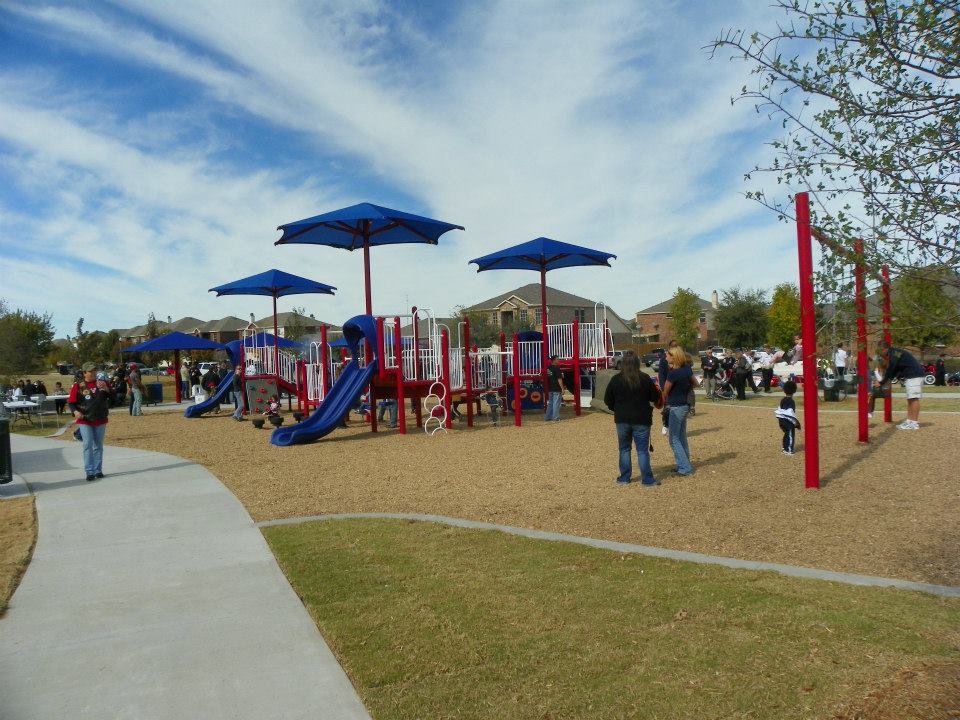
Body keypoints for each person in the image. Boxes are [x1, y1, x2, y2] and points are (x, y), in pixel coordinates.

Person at [603, 351, 662, 486]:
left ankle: (624, 478)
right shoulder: (645, 378)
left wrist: (616, 409)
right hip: (642, 418)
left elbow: (607, 400)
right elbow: (654, 397)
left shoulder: (616, 379)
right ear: (637, 363)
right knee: (642, 450)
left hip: (622, 419)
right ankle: (647, 480)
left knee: (624, 449)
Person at [68, 364, 113, 482]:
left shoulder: (102, 383)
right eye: (90, 371)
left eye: (94, 371)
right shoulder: (78, 386)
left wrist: (106, 389)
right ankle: (89, 471)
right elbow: (71, 402)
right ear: (84, 373)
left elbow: (113, 397)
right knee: (87, 444)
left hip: (101, 418)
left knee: (98, 446)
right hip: (85, 419)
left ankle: (98, 470)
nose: (93, 373)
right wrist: (75, 411)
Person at [661, 347, 698, 476]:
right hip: (684, 405)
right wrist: (684, 388)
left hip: (675, 406)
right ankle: (683, 464)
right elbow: (695, 383)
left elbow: (665, 391)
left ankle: (685, 468)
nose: (666, 356)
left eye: (668, 355)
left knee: (674, 439)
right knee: (681, 437)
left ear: (674, 357)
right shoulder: (686, 369)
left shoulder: (673, 373)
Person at [877, 340, 925, 430]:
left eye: (880, 351)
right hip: (911, 376)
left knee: (914, 398)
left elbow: (892, 368)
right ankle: (909, 421)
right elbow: (895, 369)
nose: (880, 353)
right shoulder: (894, 353)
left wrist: (882, 382)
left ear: (884, 348)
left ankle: (914, 423)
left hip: (914, 376)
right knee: (910, 399)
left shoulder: (895, 353)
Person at [775, 380, 800, 455]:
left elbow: (781, 410)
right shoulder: (791, 401)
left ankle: (785, 447)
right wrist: (796, 423)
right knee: (790, 434)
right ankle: (788, 450)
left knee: (786, 434)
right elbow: (790, 413)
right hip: (788, 421)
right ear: (794, 391)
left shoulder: (783, 399)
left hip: (781, 420)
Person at [544, 355, 566, 422]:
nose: (559, 360)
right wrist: (562, 388)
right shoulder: (557, 368)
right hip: (556, 388)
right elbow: (559, 379)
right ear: (554, 360)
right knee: (556, 403)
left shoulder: (548, 368)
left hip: (550, 388)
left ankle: (547, 417)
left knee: (550, 403)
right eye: (557, 359)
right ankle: (555, 417)